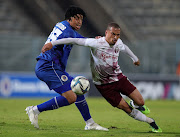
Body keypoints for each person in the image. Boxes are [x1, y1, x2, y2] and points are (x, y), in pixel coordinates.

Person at [42, 22, 162, 133]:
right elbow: (73, 40)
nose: (115, 37)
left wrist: (134, 58)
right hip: (104, 85)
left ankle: (136, 105)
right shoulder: (96, 43)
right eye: (113, 34)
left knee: (140, 102)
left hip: (119, 78)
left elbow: (125, 47)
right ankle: (150, 121)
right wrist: (52, 43)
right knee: (125, 107)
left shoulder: (118, 43)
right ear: (106, 33)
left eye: (118, 35)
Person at [25, 6, 108, 131]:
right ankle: (35, 110)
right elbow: (81, 41)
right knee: (71, 97)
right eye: (77, 18)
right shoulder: (69, 32)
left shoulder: (61, 25)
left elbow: (78, 38)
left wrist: (93, 40)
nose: (80, 22)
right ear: (69, 18)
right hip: (49, 66)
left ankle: (90, 123)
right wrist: (97, 41)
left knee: (78, 89)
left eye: (81, 19)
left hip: (49, 66)